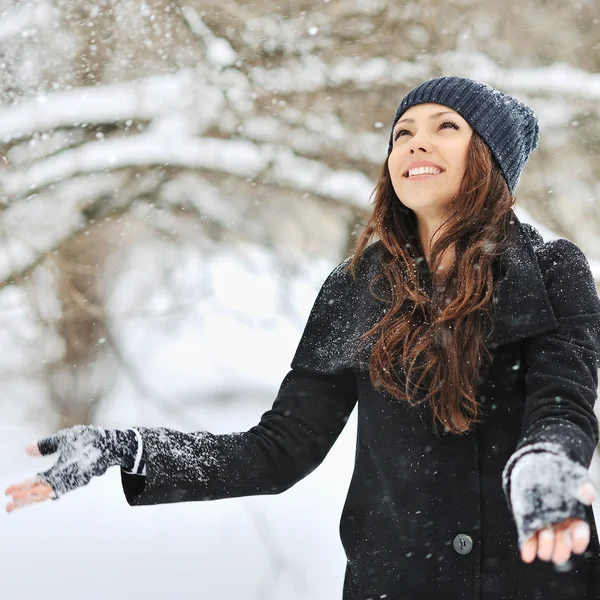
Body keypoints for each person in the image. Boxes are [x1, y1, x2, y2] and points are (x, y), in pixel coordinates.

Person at [5, 76, 600, 600]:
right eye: (402, 132)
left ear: (491, 159)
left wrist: (546, 468)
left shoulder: (553, 271)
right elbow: (280, 449)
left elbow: (563, 401)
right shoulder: (354, 291)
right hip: (396, 585)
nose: (415, 141)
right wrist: (129, 449)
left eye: (447, 126)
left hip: (537, 577)